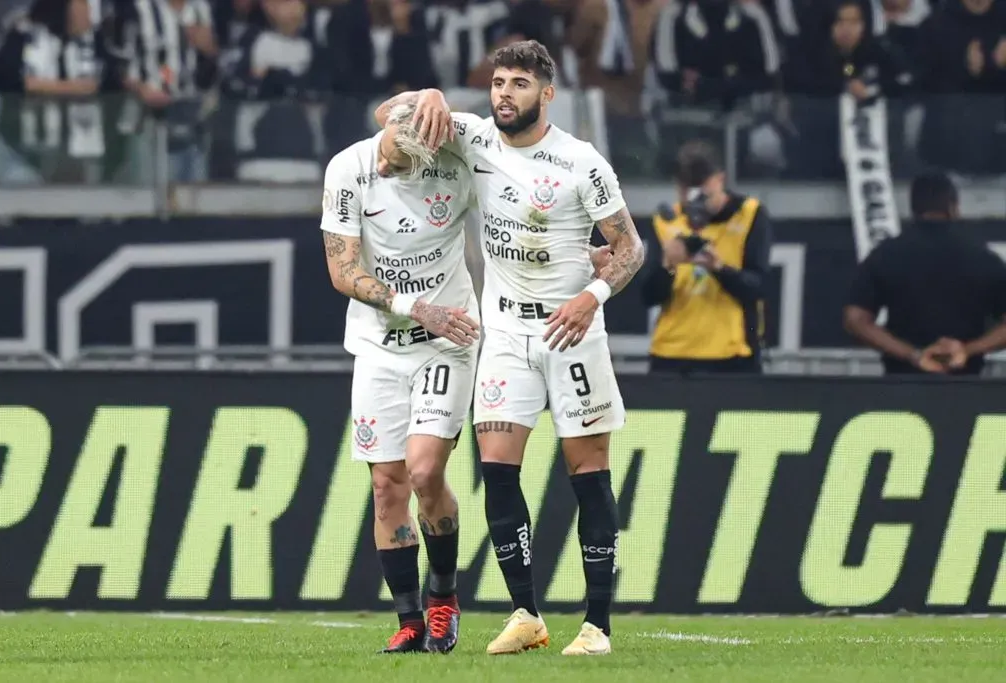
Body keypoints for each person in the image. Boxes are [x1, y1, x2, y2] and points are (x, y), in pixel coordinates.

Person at [374, 39, 646, 656]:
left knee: (588, 472)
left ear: (547, 94)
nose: (505, 94)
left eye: (519, 84)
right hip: (503, 332)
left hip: (571, 330)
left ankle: (597, 625)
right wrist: (433, 97)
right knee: (497, 470)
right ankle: (526, 612)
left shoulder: (581, 163)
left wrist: (592, 296)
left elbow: (630, 247)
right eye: (499, 82)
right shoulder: (472, 137)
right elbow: (385, 118)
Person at [320, 101, 481, 654]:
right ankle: (410, 620)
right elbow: (342, 270)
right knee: (387, 485)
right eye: (385, 152)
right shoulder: (350, 167)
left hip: (446, 339)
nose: (384, 169)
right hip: (378, 346)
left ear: (430, 153)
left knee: (423, 471)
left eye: (398, 166)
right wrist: (415, 307)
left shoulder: (461, 157)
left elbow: (522, 187)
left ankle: (444, 599)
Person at [844, 172, 1006, 375]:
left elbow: (856, 320)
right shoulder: (983, 258)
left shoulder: (885, 255)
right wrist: (966, 350)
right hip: (966, 390)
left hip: (902, 387)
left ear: (913, 209)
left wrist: (914, 355)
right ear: (954, 208)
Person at [639, 140, 772, 374]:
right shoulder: (665, 220)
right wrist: (667, 266)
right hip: (672, 355)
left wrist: (720, 269)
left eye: (703, 194)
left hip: (732, 356)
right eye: (686, 193)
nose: (695, 204)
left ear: (720, 179)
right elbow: (648, 297)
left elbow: (759, 287)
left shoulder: (749, 214)